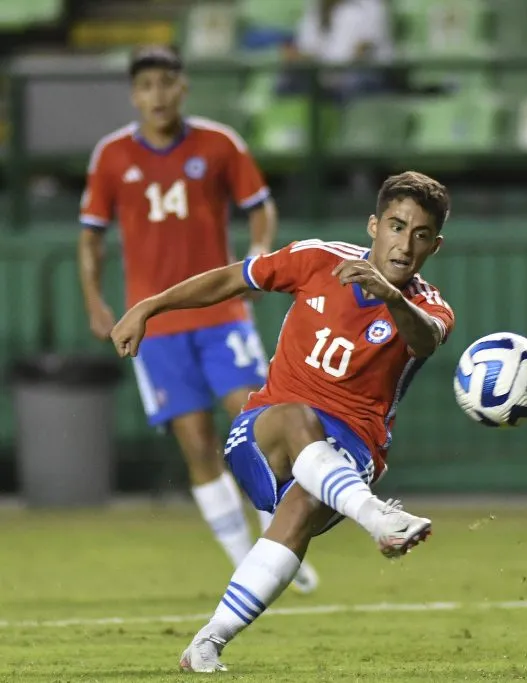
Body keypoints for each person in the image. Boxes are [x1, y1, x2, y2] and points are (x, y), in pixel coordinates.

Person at [109, 171, 453, 673]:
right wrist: (151, 305)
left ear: (435, 246)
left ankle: (207, 643)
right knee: (298, 415)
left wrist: (392, 299)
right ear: (374, 225)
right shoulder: (317, 259)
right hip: (265, 435)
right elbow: (233, 278)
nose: (405, 244)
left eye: (420, 235)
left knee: (300, 513)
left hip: (353, 454)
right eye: (397, 227)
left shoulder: (428, 306)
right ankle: (378, 519)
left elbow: (423, 341)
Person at [77, 45, 319, 592]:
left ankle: (276, 536)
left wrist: (260, 253)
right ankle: (245, 560)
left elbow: (260, 204)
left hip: (221, 313)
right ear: (134, 95)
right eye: (146, 86)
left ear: (183, 87)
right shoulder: (112, 156)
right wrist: (94, 299)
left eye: (166, 83)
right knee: (195, 441)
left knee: (255, 417)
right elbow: (90, 235)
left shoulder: (218, 144)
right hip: (157, 325)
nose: (157, 95)